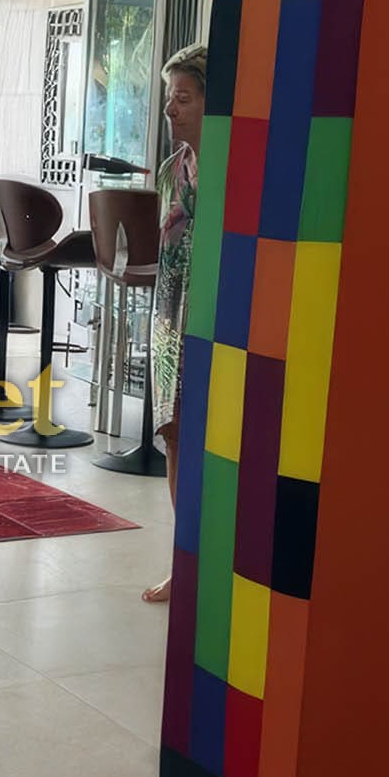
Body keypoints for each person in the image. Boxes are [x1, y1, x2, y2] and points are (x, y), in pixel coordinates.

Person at [143, 44, 205, 604]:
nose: (170, 110)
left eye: (183, 98)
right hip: (170, 319)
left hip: (216, 320)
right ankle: (184, 562)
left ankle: (213, 564)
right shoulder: (172, 170)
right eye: (170, 98)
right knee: (174, 434)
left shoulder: (238, 169)